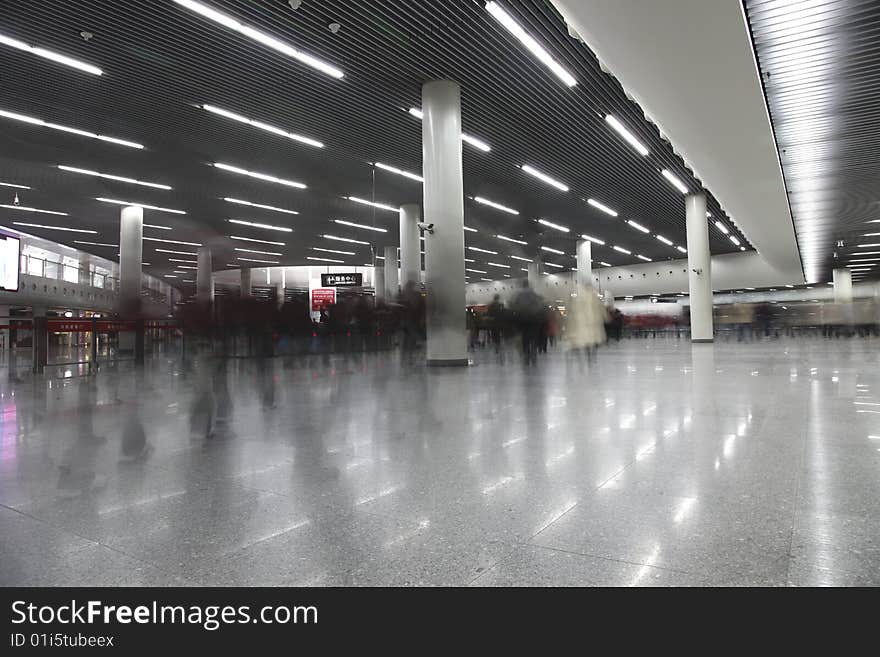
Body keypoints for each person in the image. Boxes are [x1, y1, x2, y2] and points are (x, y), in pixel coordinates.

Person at [567, 283, 608, 366]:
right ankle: (590, 356)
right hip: (592, 323)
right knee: (591, 341)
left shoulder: (582, 298)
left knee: (588, 341)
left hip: (588, 323)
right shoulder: (593, 297)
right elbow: (601, 308)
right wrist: (605, 317)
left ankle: (589, 355)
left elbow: (575, 310)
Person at [511, 280, 544, 365]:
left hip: (523, 320)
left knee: (525, 339)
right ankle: (533, 354)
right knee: (533, 338)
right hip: (534, 320)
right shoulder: (534, 294)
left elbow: (514, 306)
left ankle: (526, 356)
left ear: (522, 285)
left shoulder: (518, 295)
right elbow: (539, 306)